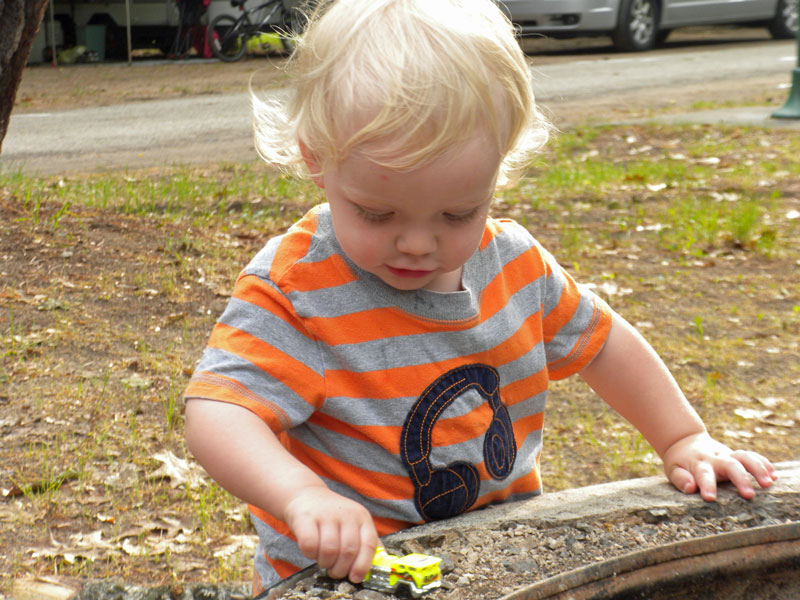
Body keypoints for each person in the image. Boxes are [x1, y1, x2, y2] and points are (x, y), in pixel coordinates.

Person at [183, 0, 777, 594]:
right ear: (316, 159)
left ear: (499, 169)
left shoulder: (514, 264)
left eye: (458, 212)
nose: (417, 243)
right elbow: (219, 410)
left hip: (497, 565)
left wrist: (682, 437)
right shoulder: (300, 288)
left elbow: (601, 345)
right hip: (345, 577)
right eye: (376, 212)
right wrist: (301, 494)